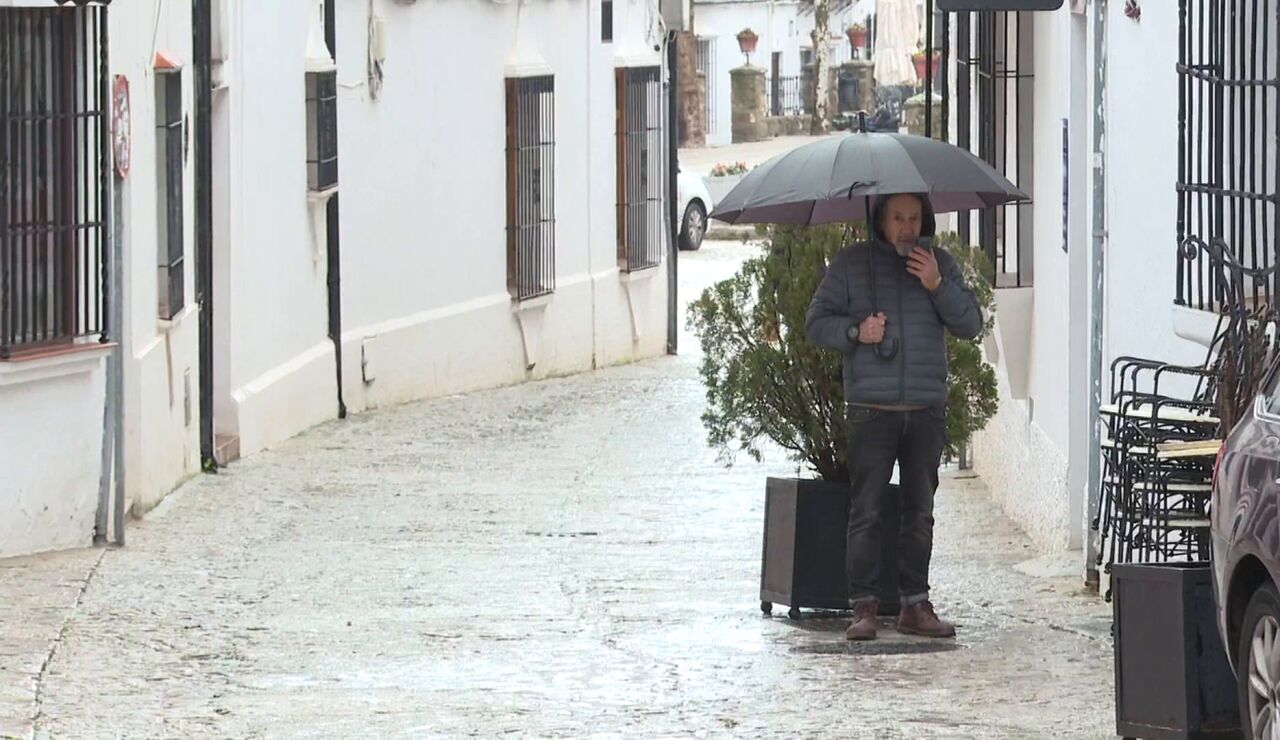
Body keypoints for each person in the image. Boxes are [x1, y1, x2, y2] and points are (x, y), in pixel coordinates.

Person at [804, 192, 982, 641]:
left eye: (914, 217)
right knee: (866, 512)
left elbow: (970, 324)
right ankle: (863, 608)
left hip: (924, 409)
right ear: (880, 220)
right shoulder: (851, 265)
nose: (907, 227)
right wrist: (856, 331)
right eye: (898, 217)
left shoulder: (937, 263)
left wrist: (937, 285)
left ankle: (914, 606)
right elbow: (815, 323)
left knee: (920, 513)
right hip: (871, 410)